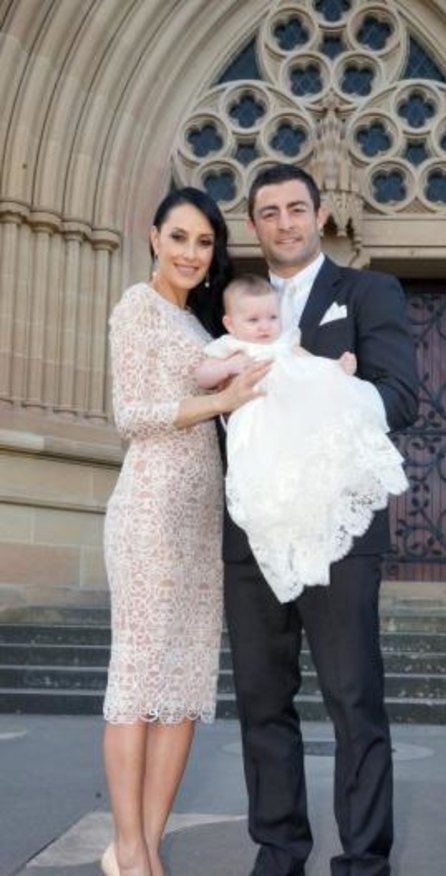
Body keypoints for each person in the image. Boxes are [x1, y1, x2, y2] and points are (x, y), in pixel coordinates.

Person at [223, 164, 419, 876]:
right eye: (269, 212)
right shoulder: (230, 305)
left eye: (296, 208)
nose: (285, 223)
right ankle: (279, 854)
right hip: (253, 535)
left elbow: (400, 398)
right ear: (253, 224)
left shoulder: (368, 292)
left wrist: (330, 386)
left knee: (353, 700)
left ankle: (364, 862)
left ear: (319, 212)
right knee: (261, 702)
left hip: (339, 534)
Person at [101, 187, 270, 876]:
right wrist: (219, 399)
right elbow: (130, 415)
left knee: (184, 690)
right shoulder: (136, 308)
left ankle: (147, 846)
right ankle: (130, 851)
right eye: (179, 238)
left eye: (204, 243)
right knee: (138, 682)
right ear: (153, 237)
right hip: (149, 510)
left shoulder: (202, 326)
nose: (191, 254)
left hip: (203, 520)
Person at [195, 274, 409, 603]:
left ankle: (310, 526)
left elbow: (312, 363)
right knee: (261, 477)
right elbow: (202, 375)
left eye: (272, 317)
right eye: (253, 320)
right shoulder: (230, 348)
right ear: (230, 323)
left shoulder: (285, 343)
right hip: (257, 423)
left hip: (292, 424)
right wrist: (228, 368)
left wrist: (339, 367)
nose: (265, 326)